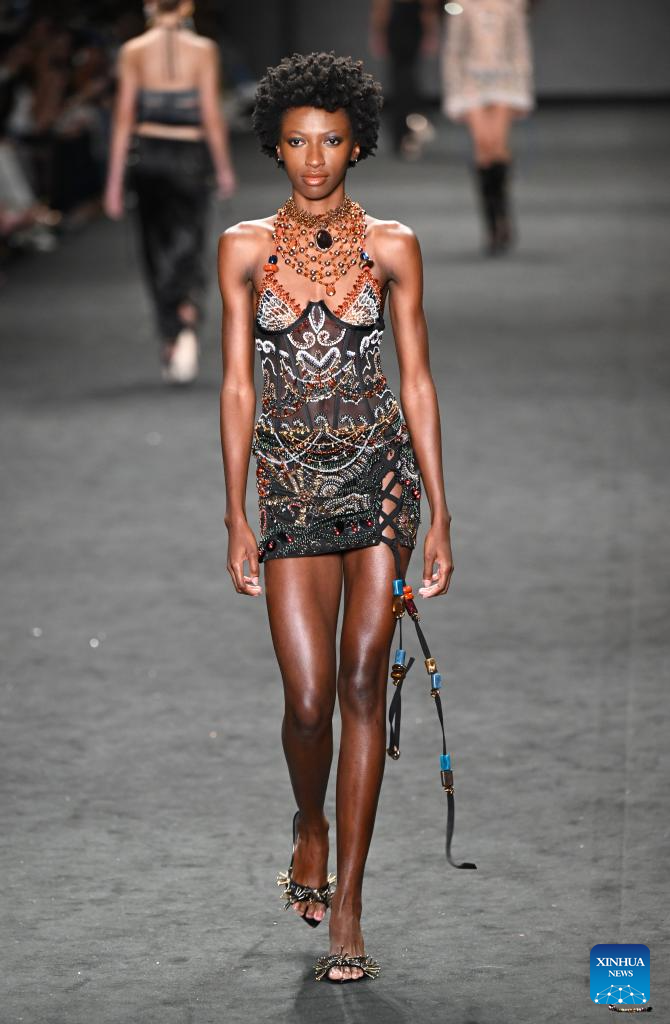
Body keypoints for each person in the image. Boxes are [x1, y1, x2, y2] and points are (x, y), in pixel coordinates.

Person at [218, 52, 474, 984]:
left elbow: (417, 381)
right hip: (288, 485)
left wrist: (441, 513)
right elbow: (238, 385)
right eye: (298, 142)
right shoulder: (243, 249)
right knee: (308, 699)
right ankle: (310, 822)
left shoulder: (393, 246)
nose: (315, 158)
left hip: (380, 481)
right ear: (275, 147)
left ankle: (352, 901)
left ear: (357, 144)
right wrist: (235, 512)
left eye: (331, 141)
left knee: (363, 678)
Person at [104, 0, 235, 384]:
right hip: (189, 155)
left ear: (148, 6)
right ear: (187, 6)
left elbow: (124, 118)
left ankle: (170, 330)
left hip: (148, 155)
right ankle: (186, 305)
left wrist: (113, 183)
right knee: (189, 238)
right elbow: (210, 113)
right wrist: (223, 168)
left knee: (153, 244)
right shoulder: (204, 50)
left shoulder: (133, 51)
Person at [441, 0, 536, 254]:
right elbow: (453, 51)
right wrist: (453, 93)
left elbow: (520, 48)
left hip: (505, 82)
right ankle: (492, 224)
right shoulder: (462, 6)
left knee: (497, 147)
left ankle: (503, 215)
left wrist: (524, 90)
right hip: (471, 82)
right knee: (483, 148)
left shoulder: (513, 5)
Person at [369, 0, 441, 159]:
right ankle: (413, 124)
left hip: (400, 19)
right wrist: (431, 31)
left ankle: (406, 131)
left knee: (401, 78)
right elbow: (429, 7)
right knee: (405, 77)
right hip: (410, 19)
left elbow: (381, 6)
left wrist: (378, 32)